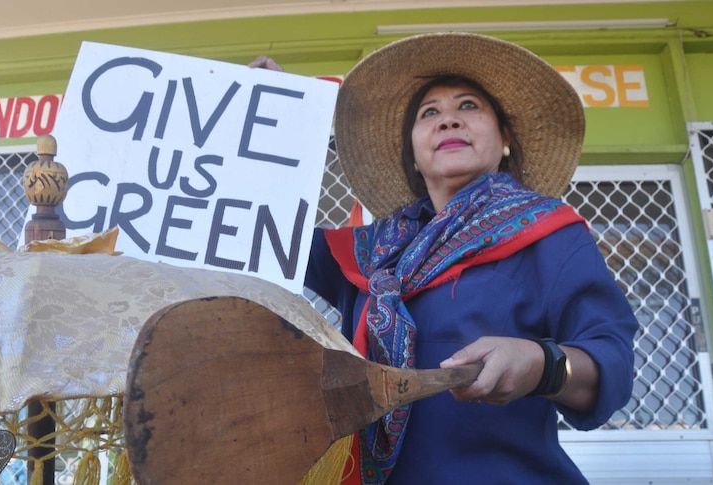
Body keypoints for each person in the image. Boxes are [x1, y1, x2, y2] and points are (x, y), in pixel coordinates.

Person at [251, 33, 638, 485]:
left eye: (469, 107)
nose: (449, 120)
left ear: (505, 137)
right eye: (429, 113)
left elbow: (611, 362)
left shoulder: (551, 235)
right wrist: (267, 119)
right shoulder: (369, 252)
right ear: (412, 155)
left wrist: (541, 364)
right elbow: (263, 231)